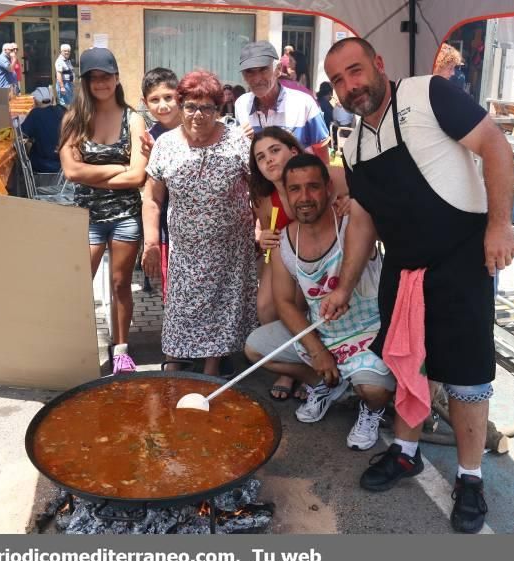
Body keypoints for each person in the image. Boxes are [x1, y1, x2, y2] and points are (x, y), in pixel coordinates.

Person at [322, 38, 514, 533]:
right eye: (340, 80)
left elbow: (494, 144)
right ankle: (405, 452)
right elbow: (363, 219)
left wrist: (499, 226)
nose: (350, 86)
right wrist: (344, 286)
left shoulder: (429, 94)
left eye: (356, 71)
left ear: (379, 65)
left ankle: (470, 478)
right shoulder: (353, 143)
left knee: (467, 376)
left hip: (461, 261)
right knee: (409, 362)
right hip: (403, 269)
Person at [246, 153, 395, 450]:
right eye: (295, 189)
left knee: (374, 391)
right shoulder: (283, 243)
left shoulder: (355, 222)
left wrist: (359, 202)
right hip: (323, 333)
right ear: (286, 194)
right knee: (255, 347)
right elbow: (285, 303)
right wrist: (317, 351)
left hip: (372, 333)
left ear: (328, 189)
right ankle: (326, 383)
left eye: (313, 187)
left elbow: (392, 206)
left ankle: (371, 409)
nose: (304, 197)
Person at [143, 70, 258, 376]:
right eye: (191, 106)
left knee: (222, 309)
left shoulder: (237, 141)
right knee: (181, 309)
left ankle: (211, 370)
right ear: (181, 106)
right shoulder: (165, 144)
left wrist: (261, 227)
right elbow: (152, 198)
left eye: (207, 107)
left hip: (230, 248)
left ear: (218, 109)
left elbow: (259, 188)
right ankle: (174, 363)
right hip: (185, 249)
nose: (198, 114)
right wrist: (152, 242)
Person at [58, 48, 148, 374]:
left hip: (126, 215)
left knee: (121, 283)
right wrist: (118, 168)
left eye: (106, 76)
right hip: (87, 216)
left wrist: (94, 173)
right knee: (79, 281)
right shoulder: (74, 118)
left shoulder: (133, 118)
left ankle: (121, 350)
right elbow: (71, 172)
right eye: (93, 77)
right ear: (84, 81)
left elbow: (139, 176)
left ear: (117, 78)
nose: (101, 83)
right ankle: (71, 348)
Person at [250, 126, 350, 401]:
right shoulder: (264, 196)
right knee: (265, 305)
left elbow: (363, 189)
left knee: (300, 299)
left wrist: (351, 201)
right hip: (285, 257)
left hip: (328, 255)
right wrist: (262, 237)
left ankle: (315, 356)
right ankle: (293, 363)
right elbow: (262, 229)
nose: (268, 160)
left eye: (274, 150)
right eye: (260, 157)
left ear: (293, 151)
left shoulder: (322, 174)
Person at [234, 41, 330, 162]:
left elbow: (322, 154)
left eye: (263, 69)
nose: (257, 79)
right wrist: (240, 137)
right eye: (249, 72)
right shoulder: (241, 104)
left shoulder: (304, 103)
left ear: (278, 69)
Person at [140, 67, 182, 304]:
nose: (163, 105)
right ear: (145, 103)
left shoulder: (195, 126)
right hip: (167, 226)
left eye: (168, 97)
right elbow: (150, 191)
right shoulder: (150, 137)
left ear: (179, 96)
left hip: (200, 226)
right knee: (172, 293)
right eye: (155, 100)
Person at [21, 86, 66, 173]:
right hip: (65, 161)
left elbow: (22, 134)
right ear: (52, 98)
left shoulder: (35, 114)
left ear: (35, 101)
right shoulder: (62, 109)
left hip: (44, 163)